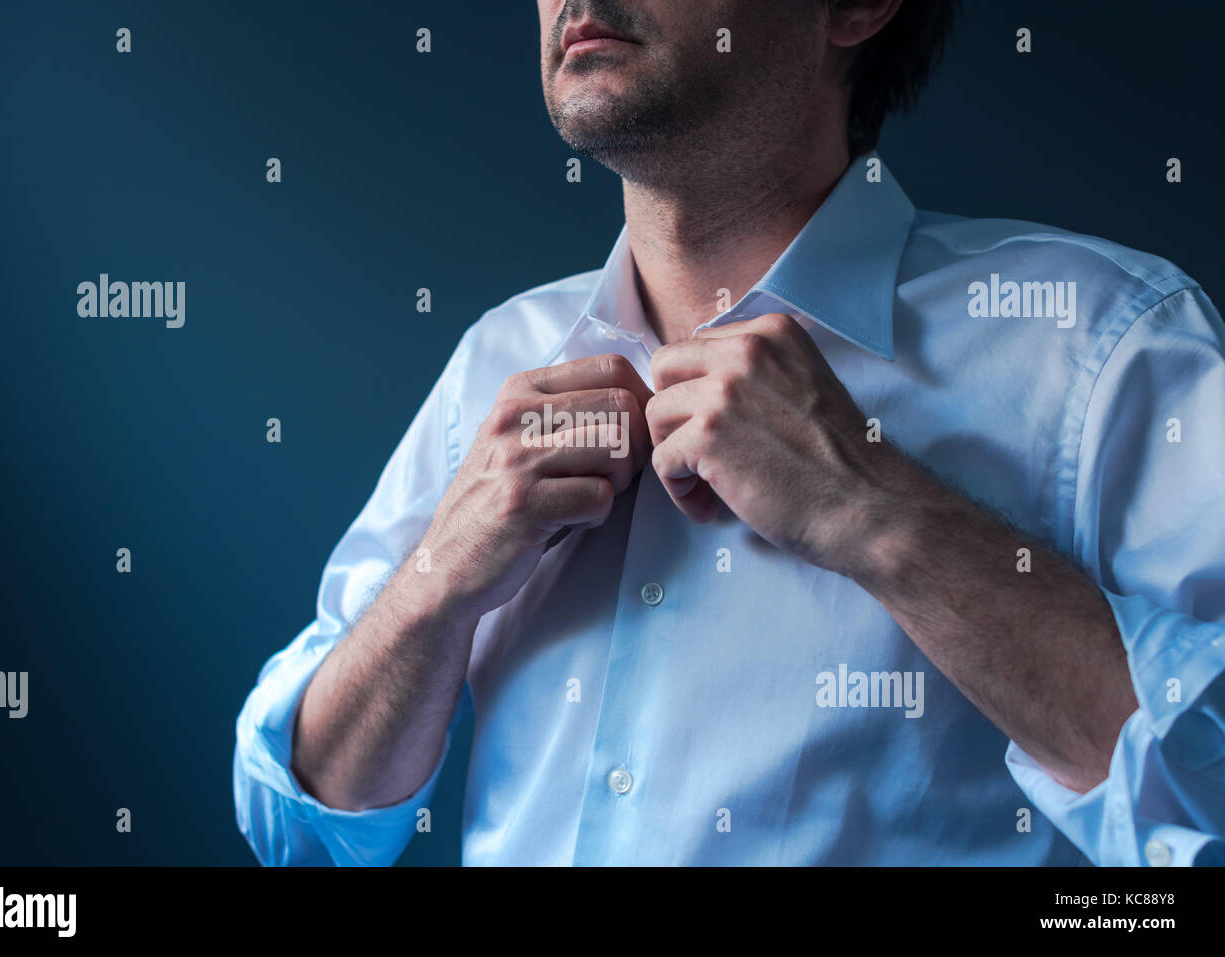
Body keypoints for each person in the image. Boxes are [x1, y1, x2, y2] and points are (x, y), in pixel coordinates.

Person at [233, 0, 1225, 865]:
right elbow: (305, 826)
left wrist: (882, 519)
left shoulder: (1099, 343)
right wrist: (436, 584)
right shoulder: (501, 355)